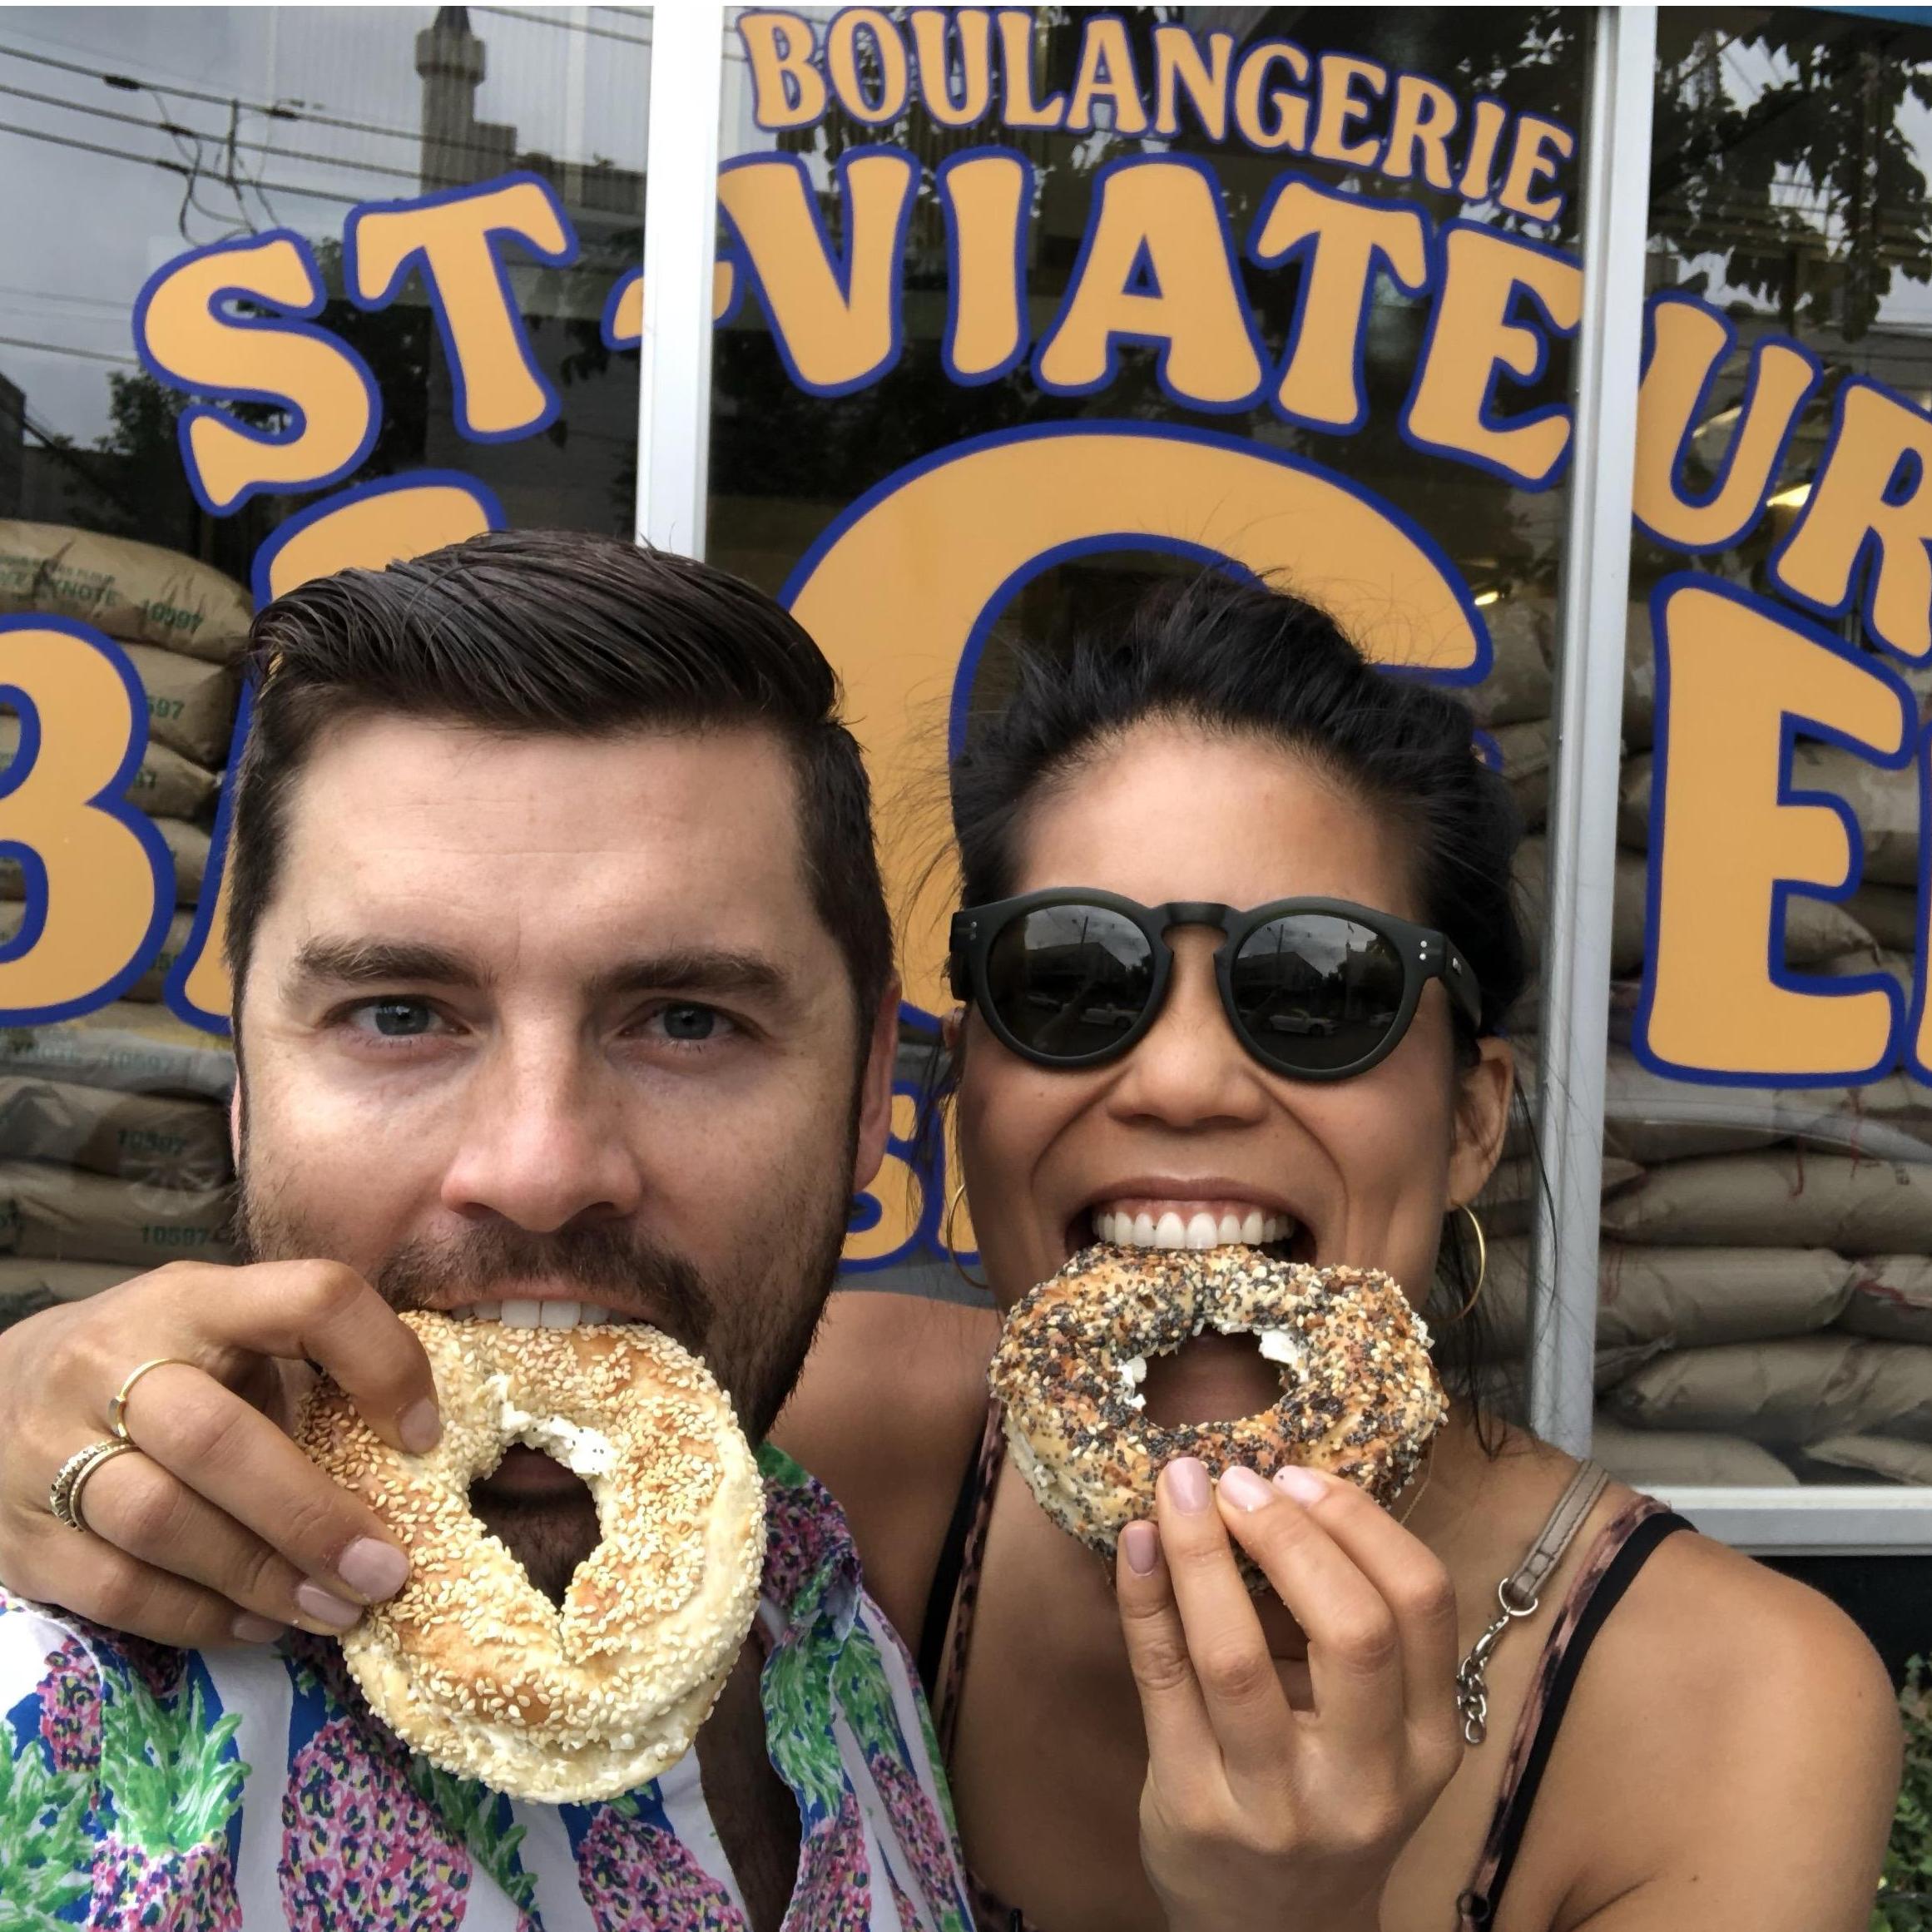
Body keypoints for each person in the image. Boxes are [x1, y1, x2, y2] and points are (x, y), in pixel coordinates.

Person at [0, 567, 1901, 1930]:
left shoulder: (1742, 1714)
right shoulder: (824, 1463)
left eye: (1311, 991)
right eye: (1069, 982)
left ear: (1473, 1110)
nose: (1174, 1078)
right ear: (952, 1086)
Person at [0, 530, 971, 1930]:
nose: (537, 1168)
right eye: (399, 1012)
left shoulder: (822, 1593)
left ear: (873, 1082)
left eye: (687, 1020)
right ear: (243, 1072)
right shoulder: (61, 1722)